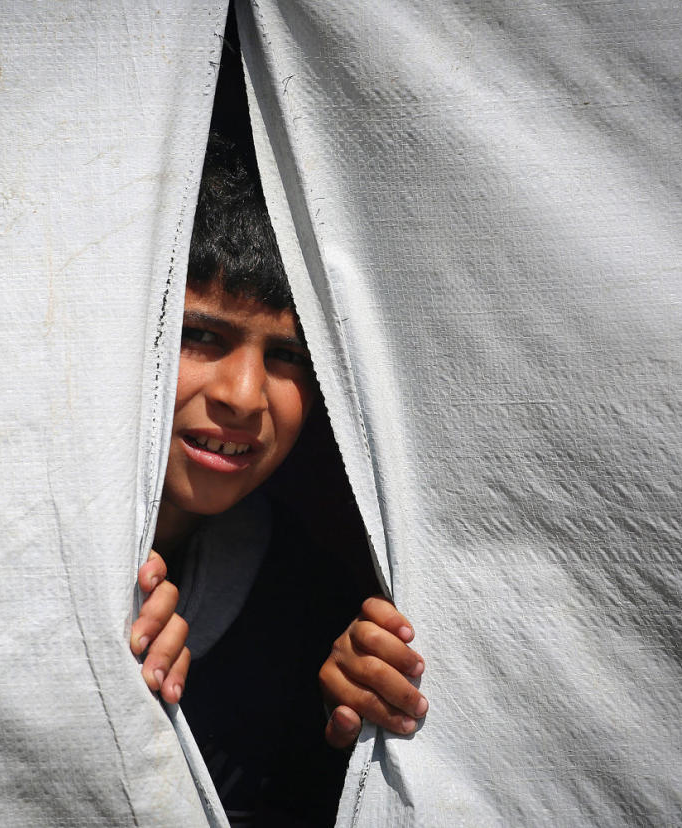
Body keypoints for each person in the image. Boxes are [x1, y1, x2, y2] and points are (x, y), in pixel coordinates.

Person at [129, 130, 427, 825]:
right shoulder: (9, 550)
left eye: (288, 355)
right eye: (201, 335)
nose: (243, 394)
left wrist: (342, 730)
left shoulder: (304, 602)